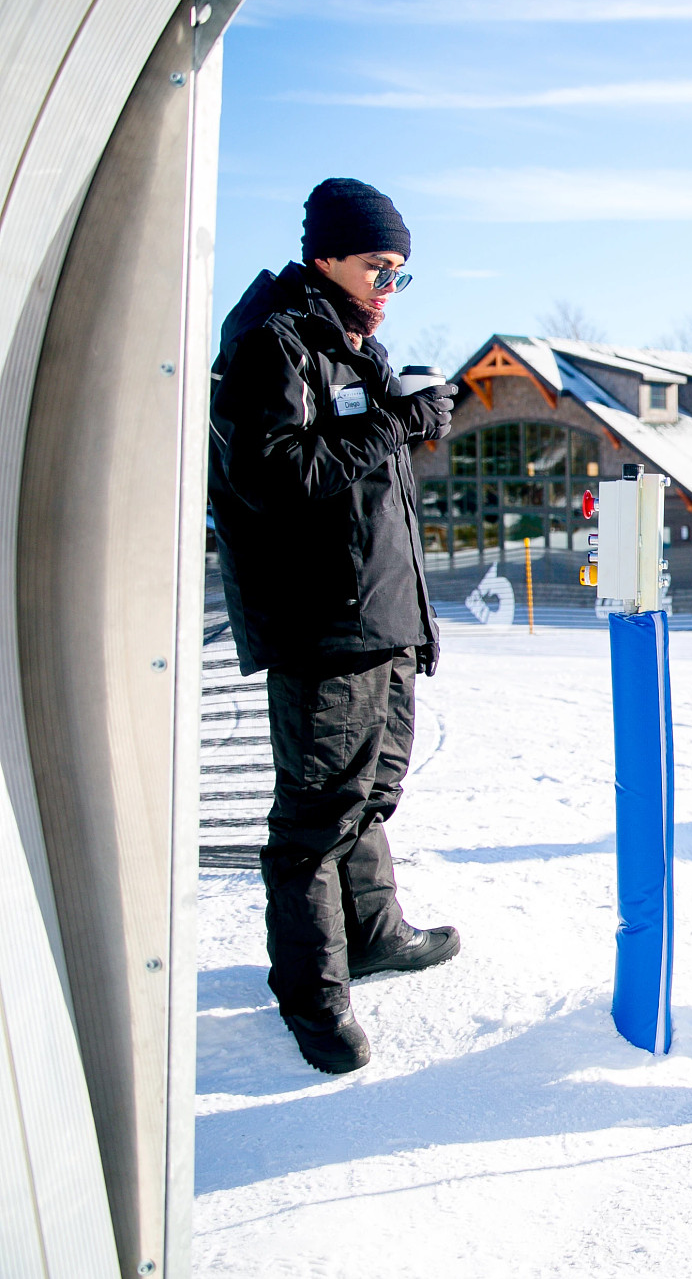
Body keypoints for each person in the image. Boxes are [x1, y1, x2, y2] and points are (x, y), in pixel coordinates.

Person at [208, 178, 463, 1074]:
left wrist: (415, 622)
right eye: (377, 266)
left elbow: (368, 489)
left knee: (372, 795)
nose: (389, 284)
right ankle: (311, 994)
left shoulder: (355, 346)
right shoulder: (274, 342)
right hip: (324, 625)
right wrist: (397, 421)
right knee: (315, 819)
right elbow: (273, 477)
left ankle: (376, 932)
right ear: (326, 254)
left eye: (401, 271)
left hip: (380, 618)